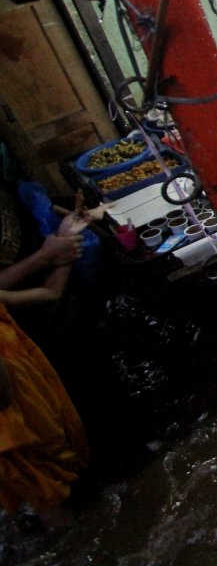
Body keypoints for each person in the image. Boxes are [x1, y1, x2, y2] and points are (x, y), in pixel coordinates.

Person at [1, 207, 91, 526]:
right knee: (45, 485)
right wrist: (51, 254)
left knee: (51, 472)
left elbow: (51, 292)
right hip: (10, 400)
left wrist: (63, 245)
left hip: (26, 381)